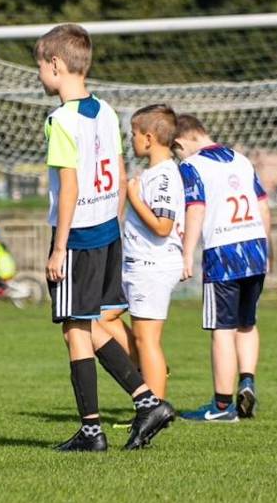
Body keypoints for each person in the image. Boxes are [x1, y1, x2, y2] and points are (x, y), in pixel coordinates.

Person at [36, 23, 175, 451]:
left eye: (39, 66)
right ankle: (146, 402)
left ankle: (93, 429)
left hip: (77, 236)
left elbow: (70, 187)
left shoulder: (60, 120)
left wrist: (59, 247)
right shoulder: (108, 111)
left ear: (56, 65)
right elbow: (118, 172)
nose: (39, 74)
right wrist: (113, 223)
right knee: (88, 323)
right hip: (106, 231)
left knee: (74, 329)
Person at [173, 114, 270, 422]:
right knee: (247, 323)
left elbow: (196, 208)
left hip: (223, 251)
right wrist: (264, 247)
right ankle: (247, 382)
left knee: (222, 329)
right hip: (255, 245)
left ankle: (222, 406)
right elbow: (262, 204)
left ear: (180, 142)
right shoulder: (240, 159)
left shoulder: (192, 165)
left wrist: (187, 253)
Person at [120, 104, 184, 402]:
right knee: (102, 317)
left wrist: (133, 198)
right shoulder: (152, 173)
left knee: (147, 339)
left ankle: (154, 408)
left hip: (152, 265)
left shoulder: (164, 176)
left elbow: (162, 226)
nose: (131, 140)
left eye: (133, 133)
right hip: (138, 264)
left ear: (148, 138)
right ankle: (151, 369)